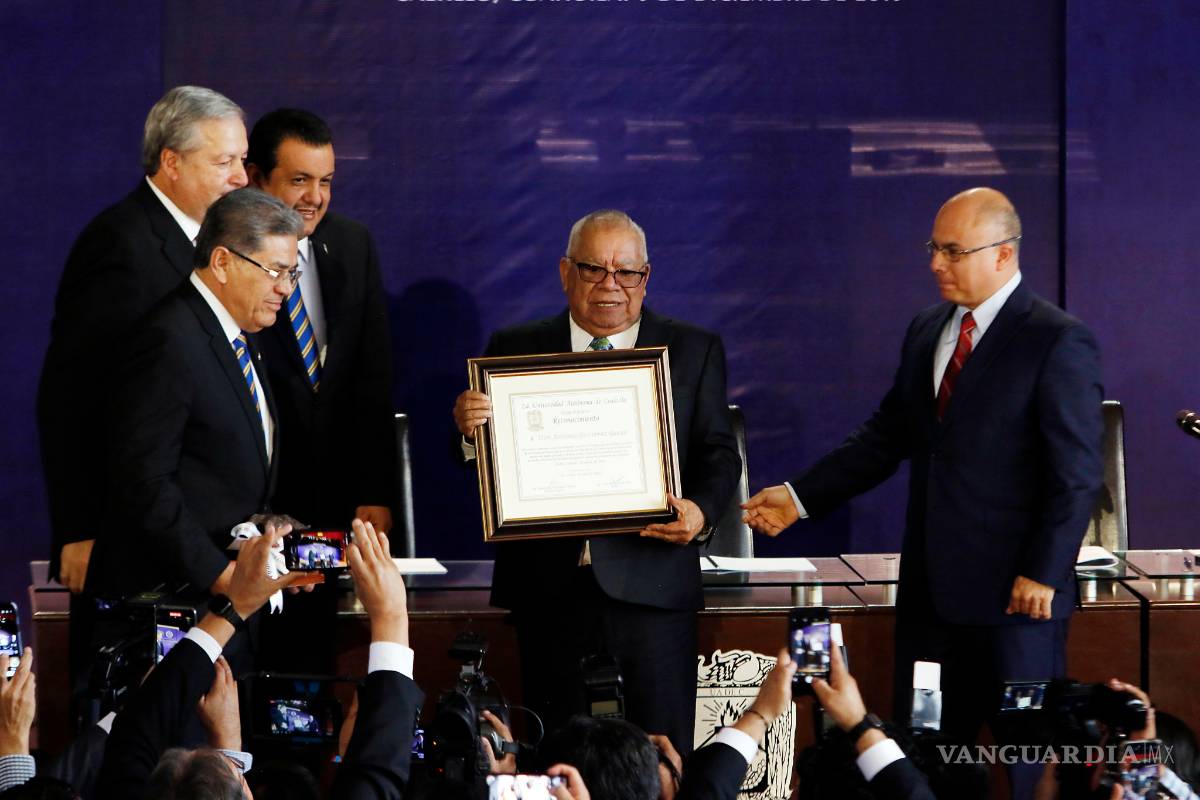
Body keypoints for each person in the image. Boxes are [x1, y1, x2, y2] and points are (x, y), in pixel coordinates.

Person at [743, 187, 1104, 800]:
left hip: (1016, 608)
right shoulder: (927, 329)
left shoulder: (1055, 340)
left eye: (953, 251)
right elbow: (887, 436)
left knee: (1023, 769)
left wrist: (1042, 572)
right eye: (933, 248)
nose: (936, 263)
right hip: (932, 603)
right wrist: (800, 497)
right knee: (929, 764)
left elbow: (1075, 473)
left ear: (1004, 254)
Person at [452, 209, 742, 754]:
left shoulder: (693, 349)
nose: (610, 285)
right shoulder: (513, 347)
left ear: (645, 277)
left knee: (659, 760)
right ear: (565, 272)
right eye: (593, 269)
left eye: (626, 272)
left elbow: (720, 454)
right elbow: (472, 459)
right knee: (557, 755)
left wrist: (701, 511)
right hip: (549, 593)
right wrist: (469, 431)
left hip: (652, 589)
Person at [39, 85, 248, 597]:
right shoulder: (120, 245)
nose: (243, 178)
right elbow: (70, 394)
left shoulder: (217, 242)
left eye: (242, 160)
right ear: (172, 162)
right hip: (129, 541)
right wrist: (79, 527)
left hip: (201, 534)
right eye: (225, 162)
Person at [89, 188, 302, 673]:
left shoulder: (238, 339)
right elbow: (145, 482)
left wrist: (272, 541)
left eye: (292, 273)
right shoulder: (168, 339)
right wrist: (223, 576)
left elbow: (223, 471)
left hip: (222, 607)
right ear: (223, 261)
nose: (285, 288)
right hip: (169, 608)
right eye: (275, 271)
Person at [245, 108, 396, 674]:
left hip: (335, 511)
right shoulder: (226, 260)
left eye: (326, 180)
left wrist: (375, 491)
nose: (315, 197)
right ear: (258, 177)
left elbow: (372, 381)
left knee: (310, 676)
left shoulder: (352, 245)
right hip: (252, 515)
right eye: (300, 180)